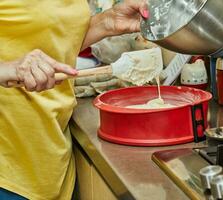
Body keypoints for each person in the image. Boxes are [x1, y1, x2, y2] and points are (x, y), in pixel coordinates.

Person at [0, 0, 148, 199]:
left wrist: (107, 22)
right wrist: (5, 68)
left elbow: (50, 37)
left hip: (50, 157)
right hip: (8, 166)